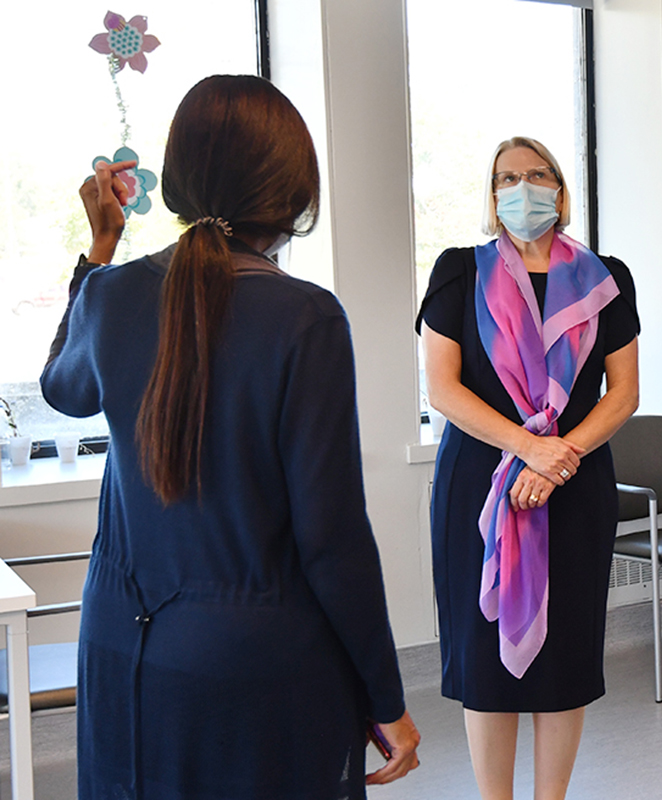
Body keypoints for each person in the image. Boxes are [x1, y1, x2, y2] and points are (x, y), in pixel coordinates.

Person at [41, 75, 420, 799]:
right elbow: (331, 537)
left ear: (179, 177)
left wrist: (97, 254)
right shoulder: (305, 317)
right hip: (254, 664)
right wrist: (387, 699)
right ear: (291, 188)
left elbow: (63, 387)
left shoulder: (114, 295)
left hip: (121, 647)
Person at [416, 136, 639, 800]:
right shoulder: (459, 271)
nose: (522, 188)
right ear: (491, 198)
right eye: (505, 178)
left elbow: (623, 394)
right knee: (485, 659)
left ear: (561, 191)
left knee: (564, 655)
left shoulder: (606, 276)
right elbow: (444, 389)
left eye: (536, 175)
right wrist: (529, 446)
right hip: (479, 489)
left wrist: (557, 456)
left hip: (574, 485)